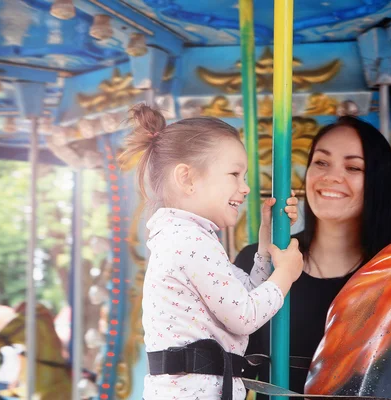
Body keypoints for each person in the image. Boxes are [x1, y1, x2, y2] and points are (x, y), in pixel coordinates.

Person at [119, 104, 304, 400]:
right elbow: (245, 316)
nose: (245, 188)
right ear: (187, 179)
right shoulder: (187, 241)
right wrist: (285, 275)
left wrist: (266, 245)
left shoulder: (189, 237)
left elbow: (247, 296)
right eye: (235, 174)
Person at [234, 116, 391, 396]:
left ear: (377, 183)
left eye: (353, 167)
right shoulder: (261, 261)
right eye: (321, 162)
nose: (331, 177)